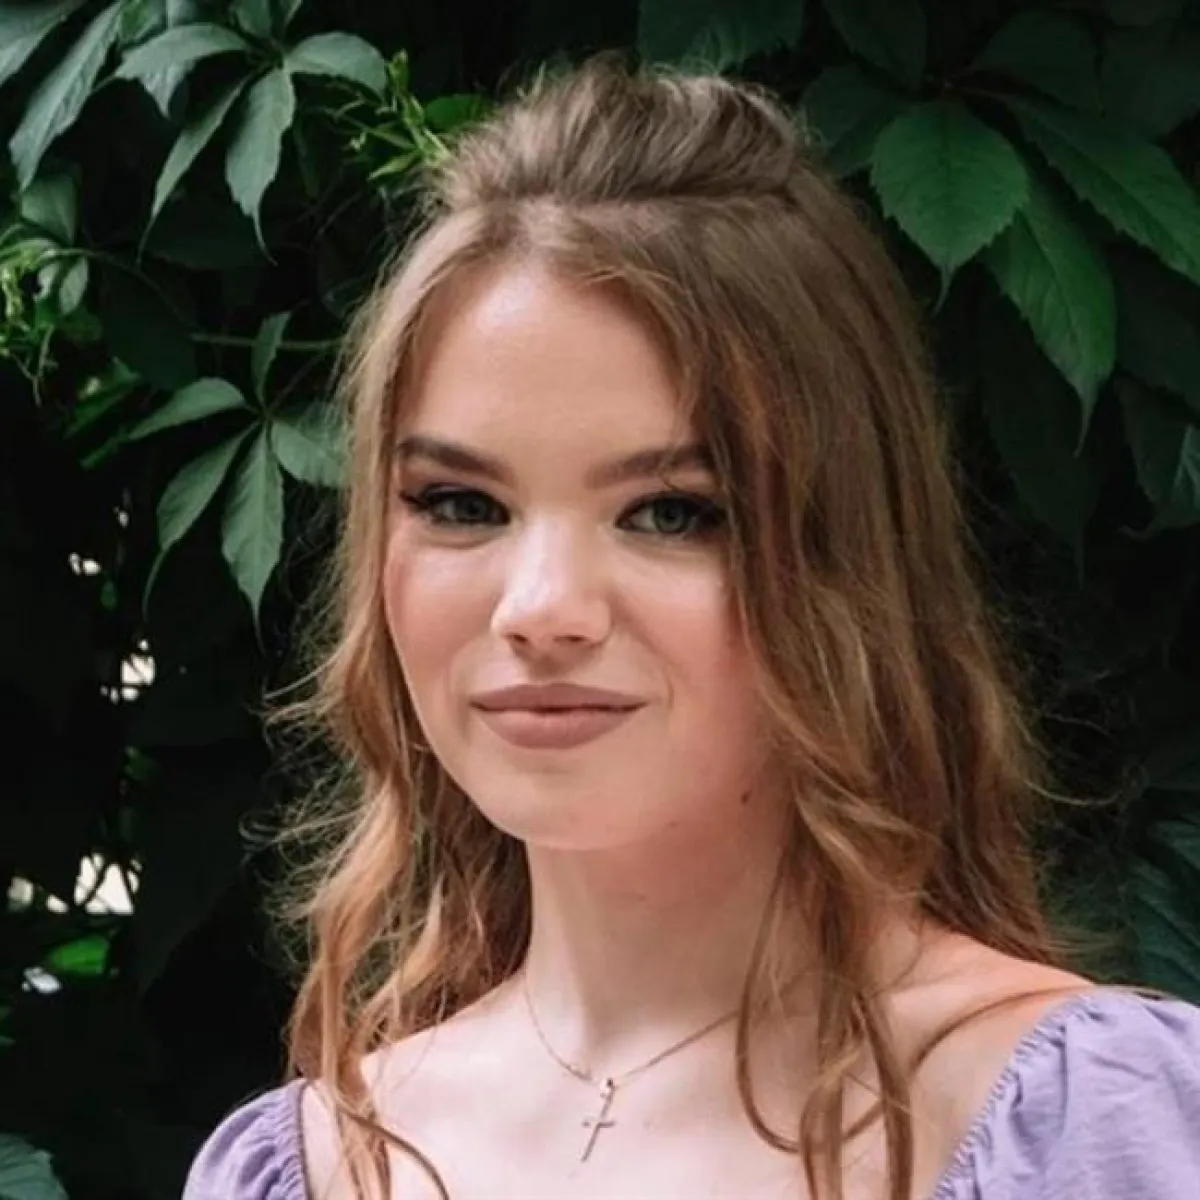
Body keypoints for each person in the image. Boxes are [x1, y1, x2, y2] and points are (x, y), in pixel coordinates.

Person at [182, 56, 1200, 1200]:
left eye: (671, 513)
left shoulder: (1093, 1126)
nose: (541, 609)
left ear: (845, 554)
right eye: (462, 505)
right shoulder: (306, 1163)